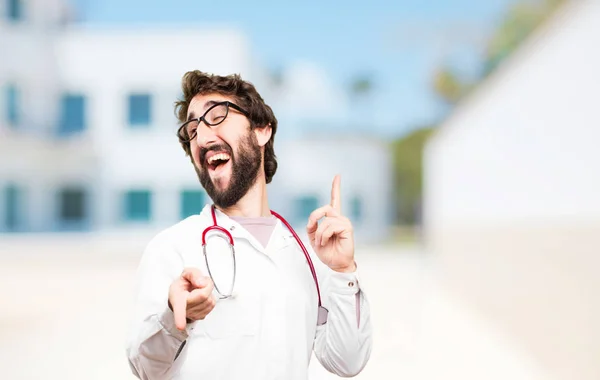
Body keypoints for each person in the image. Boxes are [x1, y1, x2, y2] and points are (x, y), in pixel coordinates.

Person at [125, 70, 373, 379]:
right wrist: (177, 318)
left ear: (261, 131)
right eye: (192, 129)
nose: (202, 137)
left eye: (217, 116)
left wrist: (343, 272)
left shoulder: (308, 256)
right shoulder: (173, 248)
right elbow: (145, 369)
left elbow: (347, 361)